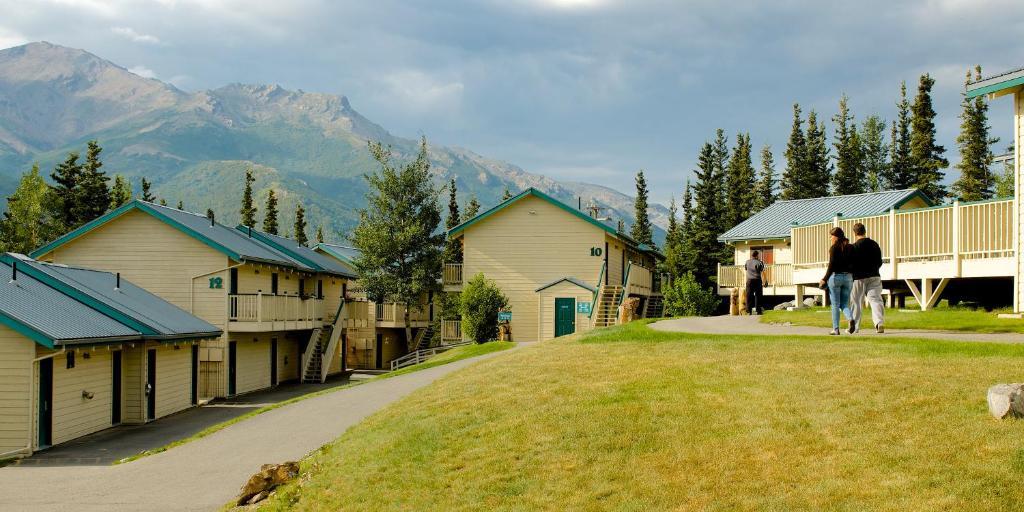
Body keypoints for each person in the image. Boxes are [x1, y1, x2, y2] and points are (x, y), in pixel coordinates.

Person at [850, 222, 885, 333]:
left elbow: (850, 264)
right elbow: (879, 261)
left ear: (855, 233)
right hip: (874, 275)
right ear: (865, 231)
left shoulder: (854, 247)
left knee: (856, 302)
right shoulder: (874, 244)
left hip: (858, 277)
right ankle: (879, 323)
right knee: (875, 300)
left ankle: (854, 327)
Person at [819, 226, 854, 335]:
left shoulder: (834, 248)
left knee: (835, 304)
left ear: (836, 237)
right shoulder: (850, 247)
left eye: (831, 236)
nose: (830, 238)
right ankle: (850, 318)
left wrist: (824, 279)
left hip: (835, 277)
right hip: (848, 278)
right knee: (844, 304)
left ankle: (836, 329)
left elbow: (831, 265)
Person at [744, 250, 766, 314]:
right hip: (757, 280)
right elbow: (762, 272)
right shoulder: (760, 262)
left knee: (749, 295)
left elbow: (746, 269)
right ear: (757, 255)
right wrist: (765, 281)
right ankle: (758, 311)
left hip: (749, 280)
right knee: (758, 295)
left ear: (752, 255)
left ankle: (748, 311)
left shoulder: (747, 262)